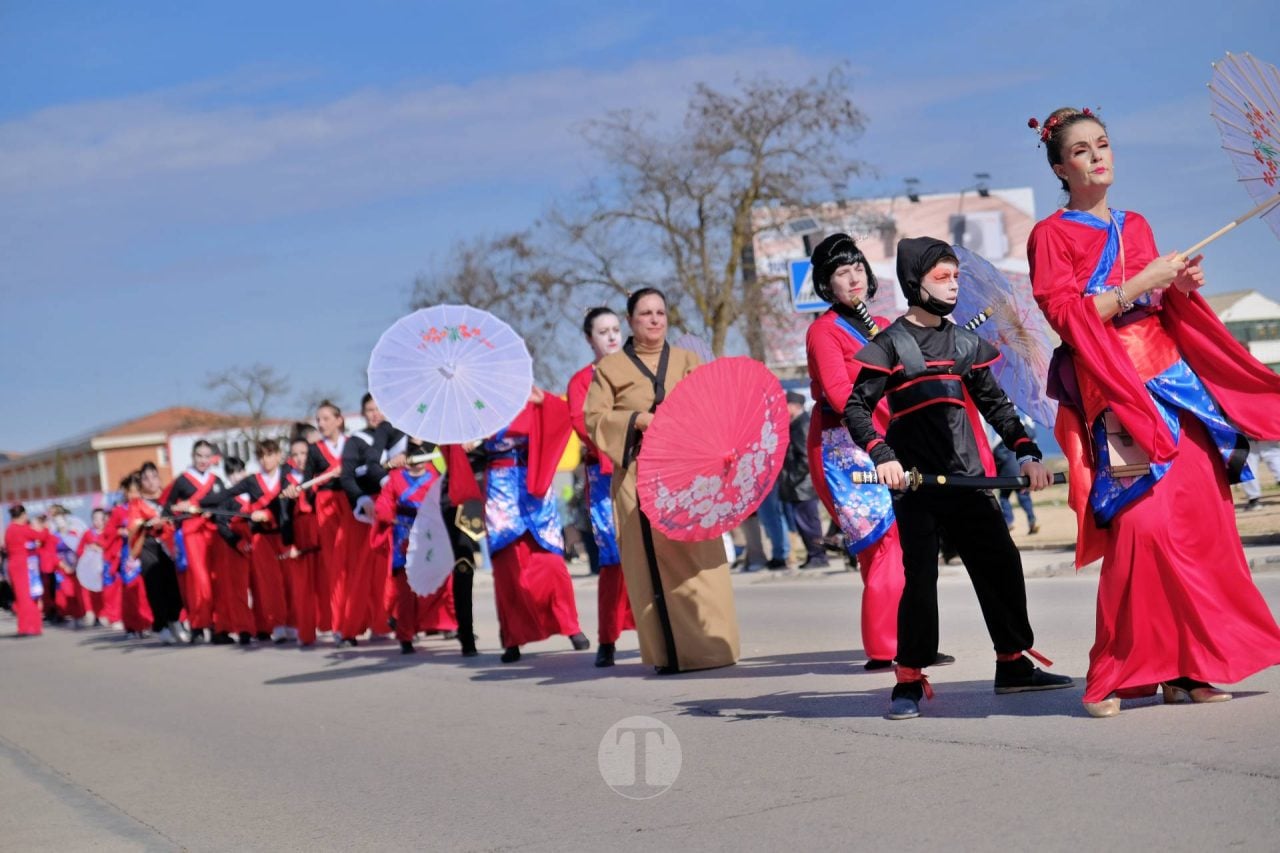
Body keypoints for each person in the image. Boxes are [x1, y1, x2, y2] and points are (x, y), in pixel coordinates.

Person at [1027, 106, 1280, 717]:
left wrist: (1181, 286)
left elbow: (1161, 301)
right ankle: (1115, 671)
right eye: (1082, 150)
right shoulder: (1050, 235)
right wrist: (1143, 282)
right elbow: (1067, 319)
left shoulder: (1134, 223)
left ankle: (1190, 668)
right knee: (1143, 532)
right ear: (1061, 166)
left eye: (1104, 144)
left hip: (1174, 382)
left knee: (1202, 524)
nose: (1097, 156)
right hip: (1117, 392)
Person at [845, 236, 1074, 720]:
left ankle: (1012, 664)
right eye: (941, 278)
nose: (952, 287)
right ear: (915, 283)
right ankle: (908, 679)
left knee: (1002, 563)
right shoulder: (890, 344)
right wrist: (881, 454)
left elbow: (997, 407)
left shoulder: (966, 343)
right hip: (915, 483)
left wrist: (1028, 452)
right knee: (921, 578)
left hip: (968, 479)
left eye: (955, 277)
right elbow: (857, 408)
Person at [585, 287, 740, 673]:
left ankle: (712, 647)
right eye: (645, 313)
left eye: (660, 312)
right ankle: (667, 654)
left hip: (687, 474)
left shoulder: (688, 360)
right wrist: (635, 420)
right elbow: (595, 419)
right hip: (636, 475)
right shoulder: (609, 369)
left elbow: (710, 407)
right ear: (631, 321)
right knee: (648, 563)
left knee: (700, 559)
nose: (655, 319)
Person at [804, 233, 911, 670]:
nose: (853, 279)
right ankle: (890, 646)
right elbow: (838, 392)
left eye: (858, 270)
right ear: (827, 285)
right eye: (842, 273)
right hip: (843, 447)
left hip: (888, 440)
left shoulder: (884, 324)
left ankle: (903, 635)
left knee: (888, 542)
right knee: (885, 540)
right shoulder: (823, 331)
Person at [453, 388, 588, 663]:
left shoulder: (528, 395)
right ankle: (512, 638)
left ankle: (570, 625)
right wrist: (462, 441)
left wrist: (546, 403)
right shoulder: (473, 407)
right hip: (500, 489)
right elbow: (455, 445)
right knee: (508, 566)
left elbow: (565, 416)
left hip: (534, 484)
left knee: (551, 561)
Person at [567, 306, 635, 667]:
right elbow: (583, 423)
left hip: (643, 469)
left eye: (614, 329)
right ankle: (607, 637)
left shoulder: (636, 367)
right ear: (589, 338)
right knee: (612, 557)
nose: (610, 336)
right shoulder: (581, 381)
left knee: (651, 554)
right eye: (601, 331)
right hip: (606, 475)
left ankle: (659, 627)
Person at [163, 439, 225, 643]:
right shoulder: (182, 481)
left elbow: (224, 503)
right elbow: (168, 509)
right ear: (193, 456)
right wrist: (180, 509)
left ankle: (218, 626)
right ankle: (198, 625)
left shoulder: (216, 481)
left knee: (216, 579)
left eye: (207, 456)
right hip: (191, 535)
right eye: (199, 456)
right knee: (198, 581)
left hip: (213, 533)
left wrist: (200, 506)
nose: (203, 460)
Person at [303, 401, 353, 642]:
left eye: (325, 418)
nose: (321, 423)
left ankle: (363, 620)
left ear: (339, 419)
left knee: (355, 565)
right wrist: (324, 479)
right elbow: (306, 486)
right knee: (335, 568)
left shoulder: (353, 443)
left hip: (352, 505)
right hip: (326, 509)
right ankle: (340, 626)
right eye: (318, 419)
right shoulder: (314, 450)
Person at [128, 466, 190, 644]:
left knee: (174, 586)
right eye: (146, 478)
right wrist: (147, 523)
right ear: (141, 483)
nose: (151, 481)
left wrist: (168, 521)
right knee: (155, 586)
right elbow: (133, 526)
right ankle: (161, 625)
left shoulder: (167, 500)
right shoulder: (137, 503)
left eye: (154, 477)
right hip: (148, 545)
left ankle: (175, 621)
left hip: (169, 545)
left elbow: (177, 518)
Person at [780, 391, 828, 570]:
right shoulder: (795, 424)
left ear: (794, 405)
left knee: (809, 522)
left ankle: (818, 555)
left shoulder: (801, 424)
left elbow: (805, 458)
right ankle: (813, 554)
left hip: (803, 485)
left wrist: (791, 478)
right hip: (798, 485)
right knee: (802, 523)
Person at [991, 415, 1040, 534]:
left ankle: (1008, 522)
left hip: (1007, 475)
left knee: (1004, 498)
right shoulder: (1026, 436)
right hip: (1022, 473)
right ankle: (1032, 519)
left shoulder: (1001, 440)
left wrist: (996, 469)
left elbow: (999, 457)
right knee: (1024, 497)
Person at [4, 504, 44, 636]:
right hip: (22, 565)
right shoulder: (21, 529)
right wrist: (45, 528)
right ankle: (29, 627)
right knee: (27, 597)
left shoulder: (9, 529)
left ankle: (27, 626)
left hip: (14, 564)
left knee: (23, 597)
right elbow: (40, 536)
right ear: (23, 515)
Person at [1241, 441, 1280, 510]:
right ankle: (1254, 500)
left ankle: (1254, 500)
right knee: (1275, 460)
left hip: (1248, 437)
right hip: (1266, 435)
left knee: (1249, 466)